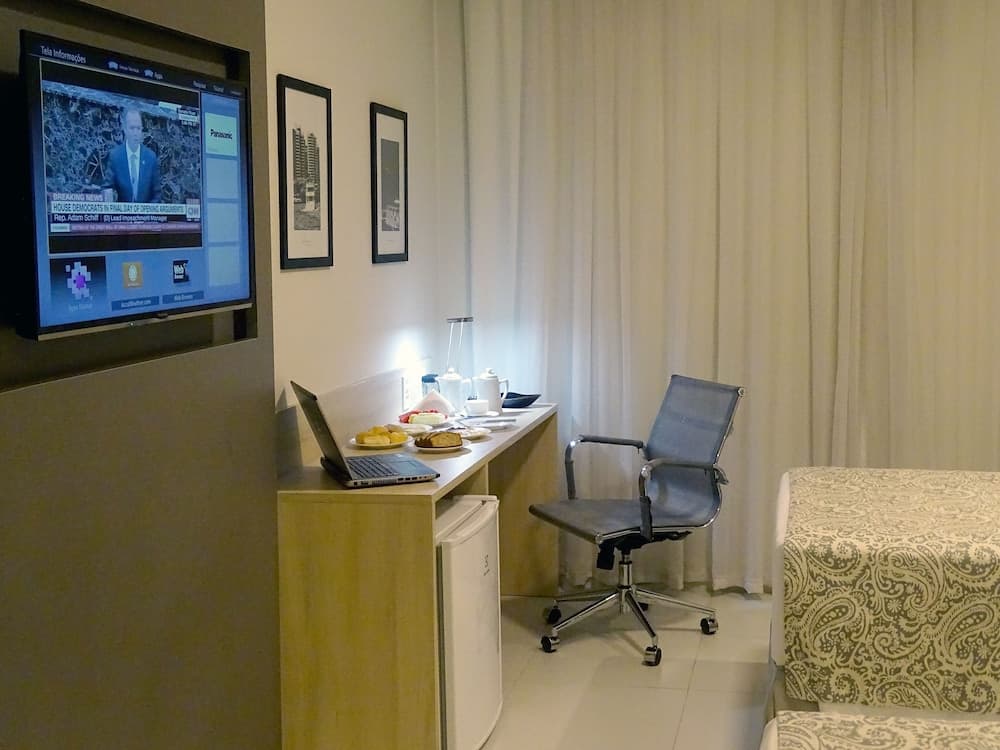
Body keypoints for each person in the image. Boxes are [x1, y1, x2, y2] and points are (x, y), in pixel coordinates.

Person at [104, 108, 161, 203]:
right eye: (132, 128)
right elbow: (107, 188)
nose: (135, 133)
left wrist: (146, 211)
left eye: (138, 128)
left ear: (142, 130)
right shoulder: (115, 156)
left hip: (146, 212)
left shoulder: (151, 157)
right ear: (125, 129)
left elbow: (157, 195)